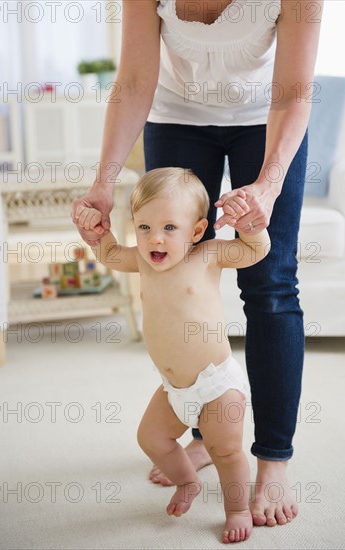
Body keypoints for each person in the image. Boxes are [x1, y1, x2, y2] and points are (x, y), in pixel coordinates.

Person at [71, 0, 323, 528]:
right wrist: (101, 185)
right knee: (170, 269)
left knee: (271, 284)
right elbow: (137, 78)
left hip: (266, 118)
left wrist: (268, 187)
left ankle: (272, 458)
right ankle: (209, 432)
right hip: (177, 118)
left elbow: (294, 91)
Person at [77, 167, 271, 543]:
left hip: (216, 384)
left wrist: (249, 225)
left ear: (196, 231)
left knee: (226, 451)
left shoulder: (208, 255)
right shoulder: (140, 260)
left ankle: (237, 508)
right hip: (173, 388)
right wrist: (94, 236)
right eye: (145, 227)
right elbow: (111, 253)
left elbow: (256, 250)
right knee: (151, 439)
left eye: (170, 228)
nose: (155, 239)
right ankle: (187, 481)